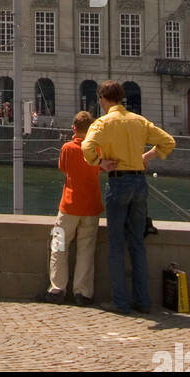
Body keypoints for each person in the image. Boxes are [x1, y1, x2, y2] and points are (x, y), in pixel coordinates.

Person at [81, 80, 175, 314]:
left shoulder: (103, 122)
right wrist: (148, 156)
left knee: (115, 244)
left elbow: (86, 148)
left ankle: (121, 303)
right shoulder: (138, 121)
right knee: (136, 242)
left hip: (119, 181)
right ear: (121, 98)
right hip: (139, 182)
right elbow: (168, 141)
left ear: (103, 99)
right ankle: (143, 301)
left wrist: (100, 163)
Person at [45, 111, 104, 306]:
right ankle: (83, 293)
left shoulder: (67, 148)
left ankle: (57, 289)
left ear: (73, 128)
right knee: (86, 250)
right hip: (90, 206)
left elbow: (63, 169)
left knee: (59, 246)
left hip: (69, 205)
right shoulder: (97, 150)